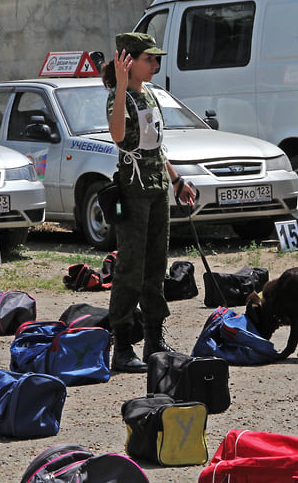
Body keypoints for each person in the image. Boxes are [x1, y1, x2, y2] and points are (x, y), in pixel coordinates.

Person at [101, 32, 195, 373]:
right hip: (133, 188)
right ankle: (123, 347)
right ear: (129, 61)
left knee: (156, 265)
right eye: (149, 59)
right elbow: (116, 136)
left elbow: (156, 146)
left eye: (156, 59)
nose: (155, 64)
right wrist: (123, 86)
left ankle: (155, 340)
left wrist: (177, 180)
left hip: (156, 186)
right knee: (130, 268)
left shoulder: (151, 95)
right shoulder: (119, 96)